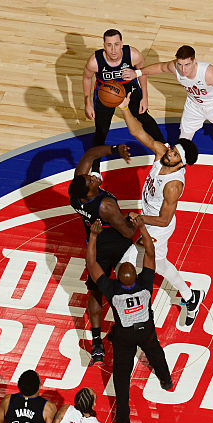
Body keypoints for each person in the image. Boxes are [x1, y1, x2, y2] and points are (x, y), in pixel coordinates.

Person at [122, 45, 213, 200]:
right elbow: (161, 67)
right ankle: (175, 177)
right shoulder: (175, 67)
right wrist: (137, 73)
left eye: (187, 65)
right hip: (194, 107)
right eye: (180, 64)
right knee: (182, 145)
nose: (183, 69)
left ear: (194, 61)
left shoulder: (208, 72)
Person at [115, 95, 206, 325]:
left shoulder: (173, 185)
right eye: (171, 150)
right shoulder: (161, 153)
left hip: (157, 226)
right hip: (148, 218)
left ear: (181, 163)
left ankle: (134, 314)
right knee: (161, 264)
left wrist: (139, 219)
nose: (169, 153)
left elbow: (164, 220)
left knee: (126, 264)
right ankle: (191, 296)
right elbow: (138, 132)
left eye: (174, 155)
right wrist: (124, 108)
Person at [87, 217, 174, 423]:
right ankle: (166, 380)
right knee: (156, 352)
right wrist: (142, 227)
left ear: (117, 277)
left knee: (121, 376)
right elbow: (150, 253)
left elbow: (92, 265)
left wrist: (93, 236)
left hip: (124, 336)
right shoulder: (145, 283)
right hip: (145, 331)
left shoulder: (112, 289)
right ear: (136, 275)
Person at [69, 143, 138, 366]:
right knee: (128, 289)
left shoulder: (76, 192)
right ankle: (128, 330)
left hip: (95, 245)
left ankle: (97, 343)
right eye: (91, 181)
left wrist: (115, 149)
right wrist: (134, 219)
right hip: (117, 246)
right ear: (89, 193)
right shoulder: (106, 206)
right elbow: (127, 232)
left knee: (95, 291)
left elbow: (90, 154)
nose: (93, 177)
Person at [82, 29, 165, 172]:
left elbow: (142, 73)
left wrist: (145, 97)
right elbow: (87, 78)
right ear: (104, 45)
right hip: (105, 93)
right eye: (109, 45)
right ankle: (95, 170)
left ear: (122, 44)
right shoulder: (94, 61)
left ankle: (165, 145)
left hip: (128, 89)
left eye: (116, 44)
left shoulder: (133, 55)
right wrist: (87, 102)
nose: (113, 50)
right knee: (101, 130)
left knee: (143, 116)